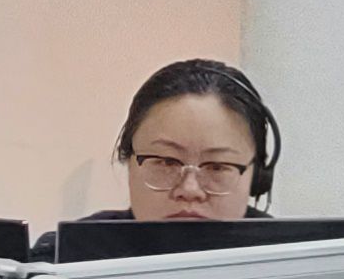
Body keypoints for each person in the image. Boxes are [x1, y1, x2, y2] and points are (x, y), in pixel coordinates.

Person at [113, 57, 276, 222]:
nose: (189, 190)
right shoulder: (95, 237)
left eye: (217, 167)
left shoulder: (285, 239)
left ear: (256, 178)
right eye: (166, 162)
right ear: (128, 162)